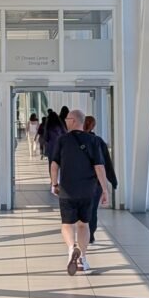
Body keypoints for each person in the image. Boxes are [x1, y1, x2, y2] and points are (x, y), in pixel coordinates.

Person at [50, 106, 110, 275]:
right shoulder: (93, 141)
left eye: (67, 119)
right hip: (87, 191)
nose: (65, 122)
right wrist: (105, 190)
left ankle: (71, 248)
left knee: (67, 224)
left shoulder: (62, 140)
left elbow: (54, 165)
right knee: (84, 225)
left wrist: (54, 184)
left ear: (74, 121)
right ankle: (82, 258)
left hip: (67, 190)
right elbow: (99, 167)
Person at [82, 114, 115, 244]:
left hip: (79, 182)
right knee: (92, 209)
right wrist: (112, 180)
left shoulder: (73, 140)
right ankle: (90, 234)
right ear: (93, 126)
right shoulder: (98, 141)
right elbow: (106, 162)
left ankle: (81, 234)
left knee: (80, 209)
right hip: (95, 182)